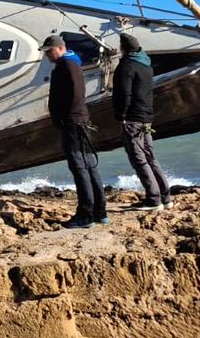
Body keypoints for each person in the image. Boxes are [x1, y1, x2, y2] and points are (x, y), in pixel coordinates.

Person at [42, 33, 107, 228]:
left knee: (79, 167)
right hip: (80, 120)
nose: (47, 56)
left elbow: (75, 94)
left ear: (60, 48)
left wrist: (64, 118)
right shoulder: (73, 64)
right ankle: (100, 212)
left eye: (49, 51)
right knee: (88, 165)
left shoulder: (66, 65)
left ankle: (85, 214)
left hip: (73, 122)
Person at [112, 32, 173, 211]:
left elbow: (125, 94)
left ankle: (154, 199)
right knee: (151, 157)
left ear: (123, 48)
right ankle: (166, 197)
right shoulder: (146, 65)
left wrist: (121, 116)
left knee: (138, 158)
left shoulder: (127, 66)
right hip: (147, 117)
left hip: (132, 118)